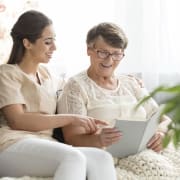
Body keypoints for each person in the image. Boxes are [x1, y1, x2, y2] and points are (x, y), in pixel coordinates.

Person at [0, 11, 118, 180]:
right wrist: (71, 118)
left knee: (101, 158)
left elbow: (80, 84)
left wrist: (116, 78)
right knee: (73, 157)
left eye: (54, 41)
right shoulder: (7, 73)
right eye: (48, 42)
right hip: (11, 145)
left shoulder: (50, 77)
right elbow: (18, 121)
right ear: (27, 43)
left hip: (46, 144)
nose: (54, 48)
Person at [57, 22, 180, 179]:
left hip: (148, 151)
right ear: (89, 50)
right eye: (103, 52)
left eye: (116, 54)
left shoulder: (131, 83)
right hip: (109, 157)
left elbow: (165, 119)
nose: (109, 60)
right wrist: (97, 139)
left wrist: (161, 134)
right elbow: (72, 137)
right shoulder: (75, 87)